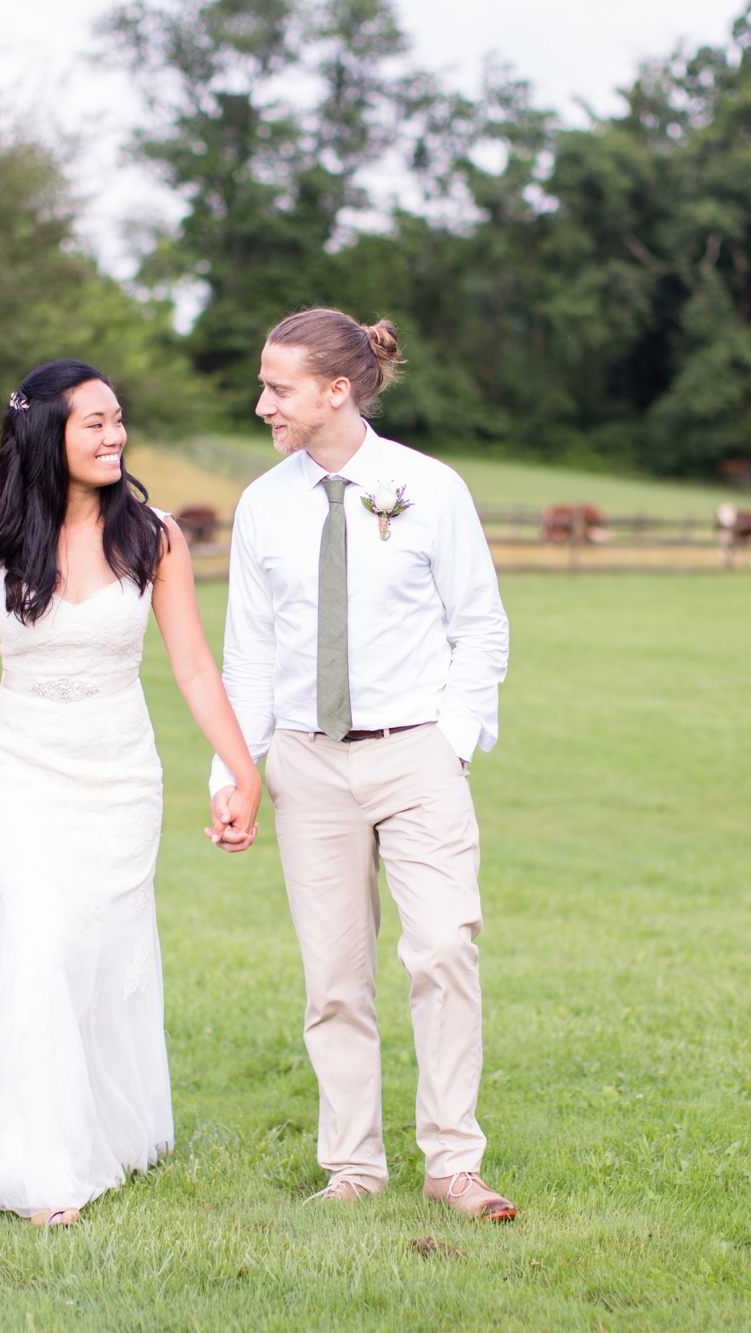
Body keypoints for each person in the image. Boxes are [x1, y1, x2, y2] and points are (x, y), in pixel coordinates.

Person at [0, 359, 263, 1227]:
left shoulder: (156, 536)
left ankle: (107, 1128)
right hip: (23, 773)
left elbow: (195, 666)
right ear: (44, 432)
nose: (115, 435)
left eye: (119, 418)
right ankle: (43, 1169)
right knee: (40, 943)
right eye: (93, 421)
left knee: (101, 956)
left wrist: (242, 769)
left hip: (121, 778)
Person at [207, 310, 515, 1222]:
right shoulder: (263, 503)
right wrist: (235, 771)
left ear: (338, 390)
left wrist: (451, 742)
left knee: (444, 946)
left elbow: (480, 624)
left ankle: (454, 1161)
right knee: (334, 974)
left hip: (417, 755)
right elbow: (248, 654)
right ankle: (352, 1165)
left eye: (279, 388)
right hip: (307, 764)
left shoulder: (429, 487)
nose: (263, 403)